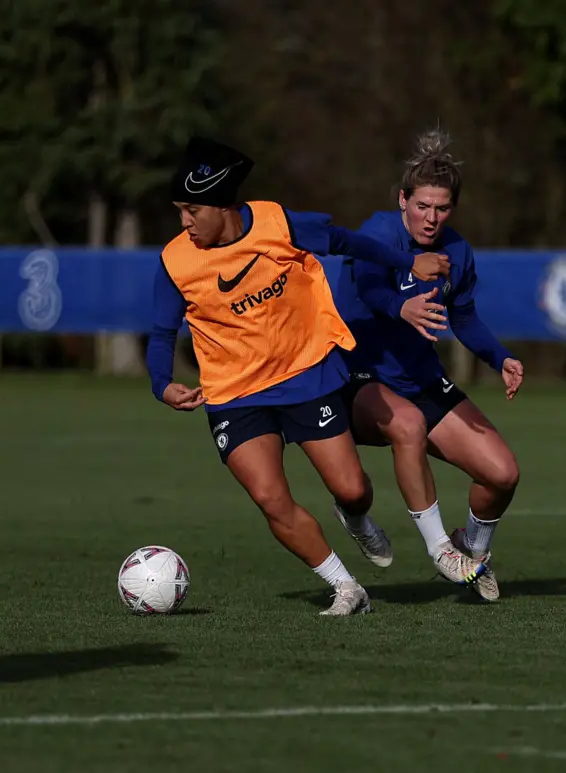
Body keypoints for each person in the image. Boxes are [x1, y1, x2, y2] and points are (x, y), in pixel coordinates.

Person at [146, 136, 451, 615]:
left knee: (352, 488)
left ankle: (355, 517)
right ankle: (346, 587)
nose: (184, 222)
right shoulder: (175, 261)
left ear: (222, 206)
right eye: (179, 211)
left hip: (306, 374)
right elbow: (162, 333)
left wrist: (408, 261)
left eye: (191, 210)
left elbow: (346, 241)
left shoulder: (276, 223)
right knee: (270, 497)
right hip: (235, 395)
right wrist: (161, 384)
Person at [335, 129, 523, 602]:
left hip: (418, 378)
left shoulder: (456, 251)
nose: (431, 218)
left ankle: (471, 555)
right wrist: (401, 309)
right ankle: (440, 549)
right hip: (358, 374)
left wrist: (499, 357)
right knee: (397, 440)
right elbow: (369, 286)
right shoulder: (378, 233)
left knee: (502, 474)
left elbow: (463, 316)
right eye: (422, 206)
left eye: (441, 208)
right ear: (402, 200)